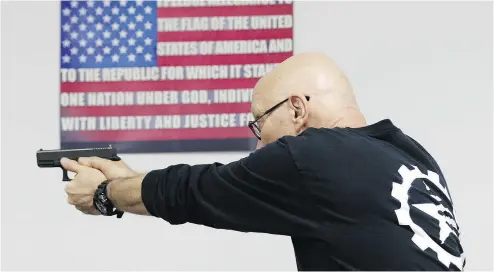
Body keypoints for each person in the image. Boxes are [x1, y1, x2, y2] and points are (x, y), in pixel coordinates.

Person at [62, 52, 466, 271]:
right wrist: (129, 179)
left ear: (295, 109)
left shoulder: (311, 155)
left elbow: (194, 191)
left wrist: (104, 193)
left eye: (260, 123)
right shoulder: (410, 155)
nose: (259, 148)